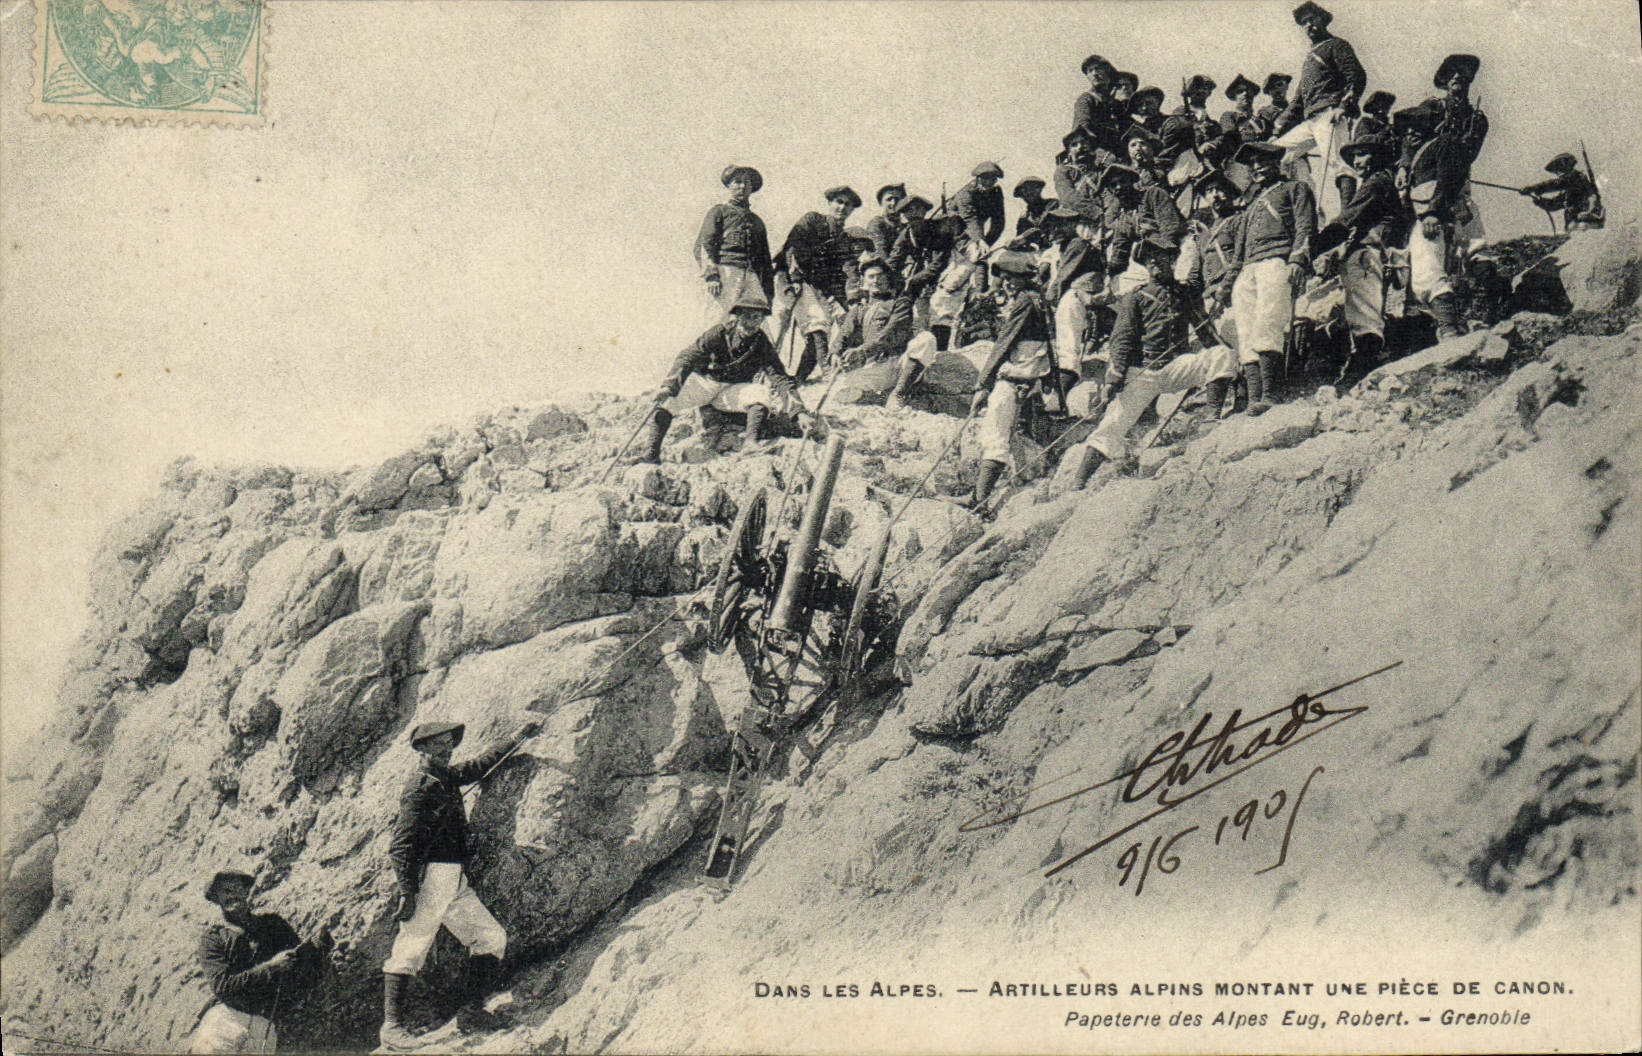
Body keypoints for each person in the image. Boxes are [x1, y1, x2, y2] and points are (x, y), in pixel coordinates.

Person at [381, 717, 544, 1049]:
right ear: (422, 749)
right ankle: (392, 1028)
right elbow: (400, 846)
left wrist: (517, 737)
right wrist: (407, 891)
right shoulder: (420, 786)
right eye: (438, 743)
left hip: (453, 878)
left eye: (449, 743)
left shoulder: (445, 777)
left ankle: (471, 1011)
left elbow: (479, 766)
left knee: (490, 937)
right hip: (431, 878)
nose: (446, 748)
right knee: (411, 948)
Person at [1066, 232, 1237, 488]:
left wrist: (1231, 366)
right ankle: (1079, 481)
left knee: (1222, 354)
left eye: (1159, 257)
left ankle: (1211, 418)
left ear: (1172, 259)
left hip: (1176, 368)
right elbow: (1121, 340)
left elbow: (1205, 330)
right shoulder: (1135, 298)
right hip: (1143, 373)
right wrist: (1114, 379)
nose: (1154, 262)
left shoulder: (1186, 294)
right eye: (1148, 259)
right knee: (1112, 424)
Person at [635, 289, 804, 462]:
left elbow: (780, 378)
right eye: (746, 317)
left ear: (762, 320)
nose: (751, 323)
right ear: (737, 316)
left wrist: (799, 412)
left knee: (761, 393)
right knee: (667, 401)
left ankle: (750, 444)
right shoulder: (719, 332)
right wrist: (669, 387)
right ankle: (651, 454)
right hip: (706, 384)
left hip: (732, 391)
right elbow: (689, 356)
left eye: (756, 318)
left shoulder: (762, 343)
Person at [1396, 54, 1488, 341]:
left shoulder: (1477, 120)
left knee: (1472, 246)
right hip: (1426, 183)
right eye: (1452, 73)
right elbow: (1411, 137)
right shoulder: (1432, 108)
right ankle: (1437, 321)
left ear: (1470, 79)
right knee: (1425, 249)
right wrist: (1404, 166)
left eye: (1463, 73)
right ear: (1444, 80)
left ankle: (1482, 313)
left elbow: (1468, 156)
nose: (1458, 77)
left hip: (1456, 186)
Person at [192, 870, 331, 1054]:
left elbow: (300, 965)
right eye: (225, 891)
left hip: (264, 1024)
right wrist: (271, 967)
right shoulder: (212, 939)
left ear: (246, 891)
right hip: (227, 1018)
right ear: (216, 898)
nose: (232, 895)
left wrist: (318, 946)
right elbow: (223, 986)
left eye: (236, 888)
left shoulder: (273, 924)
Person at [1223, 140, 1315, 415]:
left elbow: (1305, 227)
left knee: (1268, 322)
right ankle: (1254, 398)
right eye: (1253, 164)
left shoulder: (1295, 188)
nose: (1258, 168)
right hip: (1247, 271)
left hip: (1276, 262)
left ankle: (1270, 394)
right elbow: (1238, 252)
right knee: (1246, 331)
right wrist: (1226, 287)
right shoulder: (1250, 207)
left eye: (1263, 161)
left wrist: (1297, 259)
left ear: (1277, 163)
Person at [963, 254, 1058, 510]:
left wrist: (983, 385)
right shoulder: (1039, 300)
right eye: (1004, 279)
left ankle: (979, 501)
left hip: (1015, 379)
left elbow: (1004, 342)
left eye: (1011, 279)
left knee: (994, 436)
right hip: (1033, 379)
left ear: (1024, 278)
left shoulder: (1025, 301)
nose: (1006, 284)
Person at [1318, 132, 1403, 386]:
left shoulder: (1376, 181)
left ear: (1377, 157)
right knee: (1358, 310)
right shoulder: (1379, 181)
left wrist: (1314, 247)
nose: (1356, 161)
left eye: (1362, 154)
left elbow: (1346, 220)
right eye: (1354, 156)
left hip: (1369, 252)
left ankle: (1363, 365)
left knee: (1364, 310)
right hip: (1370, 251)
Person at [1271, 2, 1366, 224]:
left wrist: (1344, 106)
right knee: (1277, 154)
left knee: (1339, 163)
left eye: (1313, 19)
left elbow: (1356, 76)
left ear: (1323, 20)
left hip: (1330, 114)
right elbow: (1299, 100)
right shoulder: (1310, 58)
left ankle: (1348, 218)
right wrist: (1277, 127)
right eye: (1304, 22)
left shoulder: (1336, 45)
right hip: (1311, 121)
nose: (1309, 25)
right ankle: (1295, 212)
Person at [774, 186, 864, 380]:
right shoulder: (812, 220)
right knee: (813, 322)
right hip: (789, 277)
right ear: (830, 203)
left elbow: (848, 270)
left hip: (816, 285)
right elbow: (792, 247)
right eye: (839, 202)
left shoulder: (843, 239)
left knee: (823, 328)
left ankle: (799, 378)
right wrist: (795, 278)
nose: (842, 207)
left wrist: (853, 298)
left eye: (847, 205)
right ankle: (825, 369)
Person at [1183, 171, 1247, 416]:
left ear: (1231, 194)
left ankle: (1244, 396)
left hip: (1234, 290)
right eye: (1209, 192)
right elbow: (1196, 272)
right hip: (1211, 298)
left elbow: (1241, 258)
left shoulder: (1239, 222)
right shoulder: (1205, 235)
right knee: (1223, 346)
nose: (1215, 196)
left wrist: (1225, 289)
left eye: (1220, 190)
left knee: (1238, 342)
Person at [695, 165, 775, 316]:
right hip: (727, 272)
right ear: (729, 186)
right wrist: (712, 275)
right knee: (719, 318)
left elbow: (765, 260)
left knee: (758, 320)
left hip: (752, 276)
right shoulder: (719, 211)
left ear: (751, 188)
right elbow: (704, 245)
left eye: (747, 183)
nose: (742, 186)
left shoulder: (757, 221)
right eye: (737, 182)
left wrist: (768, 292)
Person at [831, 255, 917, 375]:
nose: (876, 281)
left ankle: (900, 388)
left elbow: (889, 334)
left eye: (880, 276)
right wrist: (835, 352)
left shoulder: (900, 304)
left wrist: (862, 351)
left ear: (888, 278)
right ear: (863, 280)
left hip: (892, 363)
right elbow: (845, 331)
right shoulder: (860, 308)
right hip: (869, 365)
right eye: (871, 277)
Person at [1521, 152, 1604, 232]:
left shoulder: (1576, 178)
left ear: (1565, 167)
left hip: (1587, 222)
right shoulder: (1570, 190)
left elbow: (1556, 184)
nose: (1558, 175)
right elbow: (1555, 203)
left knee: (1574, 226)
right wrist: (1540, 202)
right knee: (1571, 227)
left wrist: (1533, 188)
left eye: (1558, 171)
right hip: (1578, 225)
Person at [1160, 75, 1218, 171]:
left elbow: (1218, 137)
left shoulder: (1210, 121)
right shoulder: (1179, 113)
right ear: (1190, 92)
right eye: (1197, 88)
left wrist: (1210, 144)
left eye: (1206, 88)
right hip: (1182, 162)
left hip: (1204, 161)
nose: (1201, 91)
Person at [1071, 54, 1122, 155]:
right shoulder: (1086, 99)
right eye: (1090, 71)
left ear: (1108, 72)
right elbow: (1081, 128)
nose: (1094, 73)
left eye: (1098, 69)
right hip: (1096, 152)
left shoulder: (1115, 103)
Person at [866, 183, 908, 260]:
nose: (893, 203)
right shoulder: (876, 224)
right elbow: (880, 254)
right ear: (881, 203)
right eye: (889, 199)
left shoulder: (905, 227)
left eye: (897, 199)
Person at [1220, 74, 1265, 141]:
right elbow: (1230, 139)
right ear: (1235, 96)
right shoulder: (1229, 116)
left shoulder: (1260, 121)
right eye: (1240, 91)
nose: (1245, 93)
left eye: (1248, 90)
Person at [1012, 176, 1056, 242]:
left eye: (1031, 190)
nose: (1028, 194)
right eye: (1023, 193)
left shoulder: (1053, 205)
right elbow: (1019, 240)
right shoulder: (1024, 217)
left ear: (1039, 190)